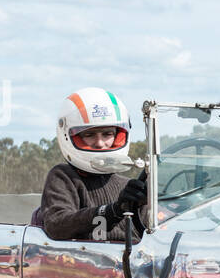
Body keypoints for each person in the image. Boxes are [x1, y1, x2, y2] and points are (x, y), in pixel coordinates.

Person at [38, 88, 149, 241]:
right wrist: (113, 211)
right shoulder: (64, 177)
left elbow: (153, 236)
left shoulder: (129, 188)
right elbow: (57, 225)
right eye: (89, 135)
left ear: (119, 135)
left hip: (130, 261)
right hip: (81, 261)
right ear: (70, 136)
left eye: (108, 134)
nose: (100, 143)